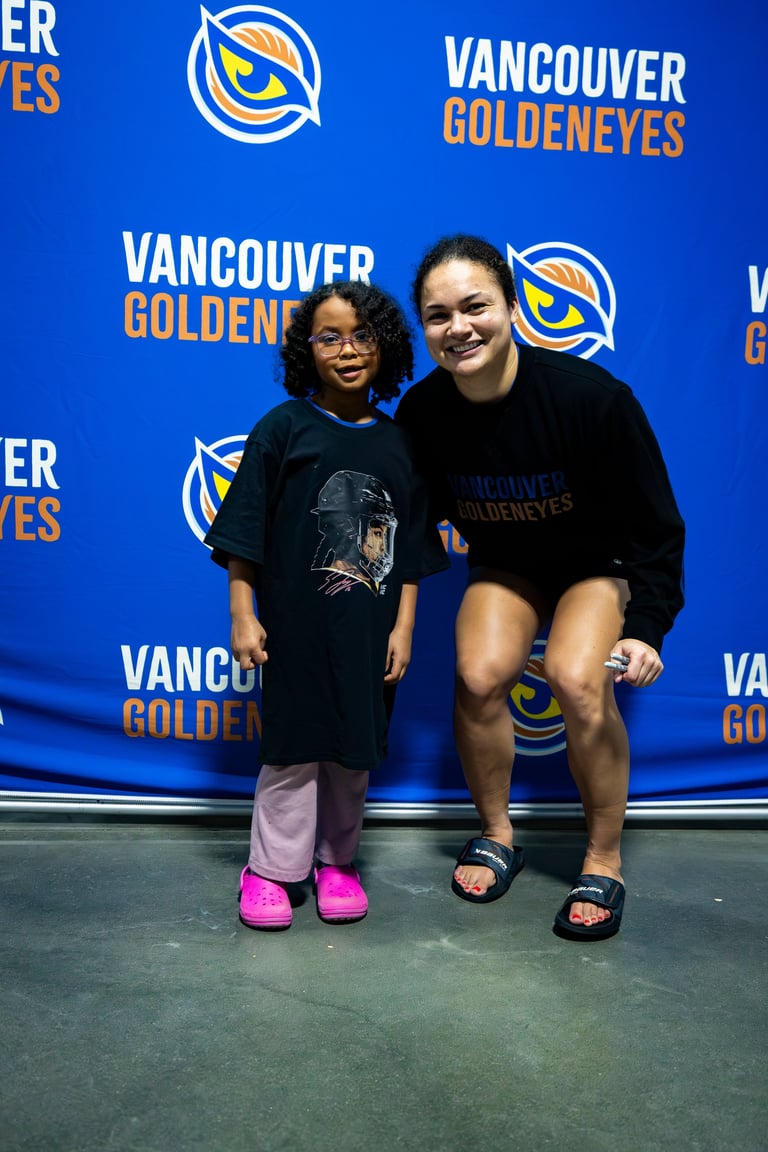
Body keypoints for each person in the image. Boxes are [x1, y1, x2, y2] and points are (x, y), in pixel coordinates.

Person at [396, 235, 685, 940]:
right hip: (507, 565)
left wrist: (645, 625)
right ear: (425, 329)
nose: (458, 327)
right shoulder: (424, 414)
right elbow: (402, 525)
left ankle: (604, 858)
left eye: (475, 307)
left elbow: (657, 528)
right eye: (438, 315)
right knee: (479, 673)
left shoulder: (592, 400)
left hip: (594, 564)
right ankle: (498, 833)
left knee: (577, 679)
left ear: (512, 307)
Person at [205, 281, 448, 931]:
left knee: (352, 749)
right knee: (292, 748)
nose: (347, 349)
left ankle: (335, 862)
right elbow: (243, 532)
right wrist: (242, 611)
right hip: (294, 628)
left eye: (362, 335)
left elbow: (416, 552)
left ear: (386, 346)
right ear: (305, 351)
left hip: (370, 633)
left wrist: (404, 627)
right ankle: (269, 870)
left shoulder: (402, 445)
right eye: (329, 336)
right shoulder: (284, 428)